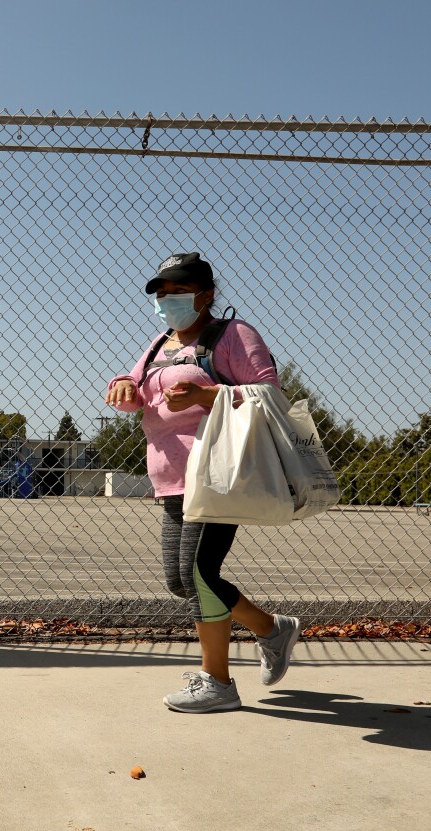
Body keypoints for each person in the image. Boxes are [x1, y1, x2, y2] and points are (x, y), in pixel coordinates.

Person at [103, 252, 302, 713]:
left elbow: (269, 395)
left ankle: (218, 681)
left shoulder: (233, 335)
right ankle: (273, 630)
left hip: (217, 477)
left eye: (178, 293)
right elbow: (133, 386)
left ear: (207, 294)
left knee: (199, 574)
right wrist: (124, 387)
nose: (167, 301)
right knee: (182, 580)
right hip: (171, 481)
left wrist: (206, 393)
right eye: (162, 294)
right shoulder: (160, 343)